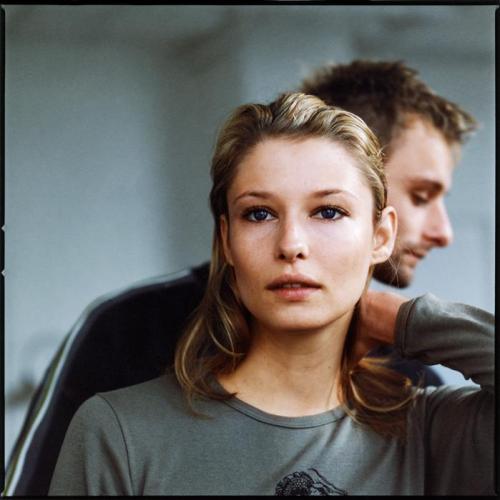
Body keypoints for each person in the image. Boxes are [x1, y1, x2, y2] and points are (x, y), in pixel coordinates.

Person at [48, 93, 493, 495]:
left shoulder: (430, 433)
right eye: (259, 214)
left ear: (381, 236)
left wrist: (398, 317)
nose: (291, 244)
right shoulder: (118, 432)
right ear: (226, 240)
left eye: (328, 212)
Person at [300, 60, 478, 386]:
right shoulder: (191, 335)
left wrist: (406, 321)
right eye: (421, 196)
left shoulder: (407, 381)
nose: (444, 234)